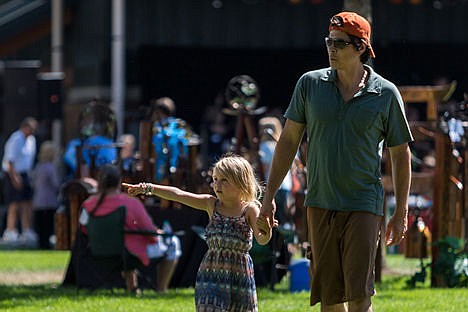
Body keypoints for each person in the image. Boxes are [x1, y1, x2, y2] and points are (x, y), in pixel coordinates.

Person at [257, 12, 413, 311]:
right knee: (330, 298)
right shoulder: (309, 85)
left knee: (358, 296)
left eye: (340, 43)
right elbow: (288, 142)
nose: (331, 48)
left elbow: (400, 153)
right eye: (329, 41)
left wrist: (401, 210)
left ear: (360, 47)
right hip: (320, 201)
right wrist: (269, 197)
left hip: (364, 202)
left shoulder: (386, 93)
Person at [125, 154, 273, 311]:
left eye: (224, 180)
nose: (217, 185)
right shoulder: (211, 204)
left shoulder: (250, 210)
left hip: (238, 276)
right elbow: (179, 194)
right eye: (215, 179)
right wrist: (149, 188)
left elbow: (262, 239)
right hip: (211, 274)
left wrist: (267, 229)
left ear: (241, 182)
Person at [79, 164, 180, 293]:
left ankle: (132, 288)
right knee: (173, 242)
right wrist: (158, 234)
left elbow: (83, 229)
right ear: (119, 182)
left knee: (127, 242)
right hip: (129, 254)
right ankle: (161, 289)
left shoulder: (87, 205)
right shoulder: (129, 203)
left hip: (97, 251)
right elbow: (150, 232)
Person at [1, 117, 38, 244]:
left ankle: (26, 229)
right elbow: (9, 160)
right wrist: (14, 177)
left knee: (26, 203)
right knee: (14, 203)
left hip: (26, 173)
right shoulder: (15, 139)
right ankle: (10, 230)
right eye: (31, 129)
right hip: (13, 173)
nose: (32, 132)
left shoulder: (31, 140)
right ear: (24, 127)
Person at [258, 116, 293, 225]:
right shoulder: (282, 146)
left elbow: (263, 169)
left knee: (271, 219)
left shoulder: (264, 147)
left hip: (271, 186)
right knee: (284, 217)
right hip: (286, 186)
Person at [32, 141, 61, 249]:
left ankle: (41, 245)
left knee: (40, 229)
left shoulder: (38, 166)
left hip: (37, 201)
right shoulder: (50, 167)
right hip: (49, 201)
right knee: (47, 227)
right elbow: (56, 184)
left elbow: (33, 182)